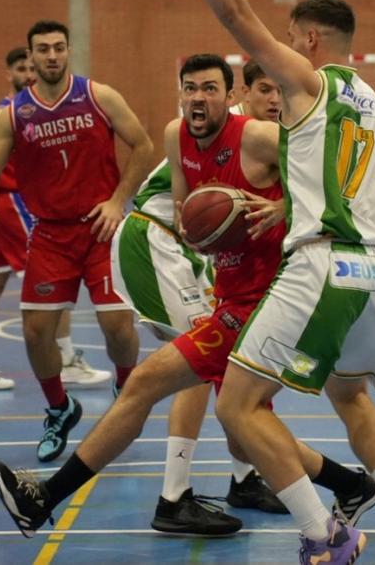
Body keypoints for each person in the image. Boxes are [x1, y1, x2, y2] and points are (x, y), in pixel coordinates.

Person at [0, 53, 375, 539]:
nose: (199, 97)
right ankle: (350, 485)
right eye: (190, 87)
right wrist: (206, 232)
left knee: (195, 401)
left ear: (231, 97)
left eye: (211, 88)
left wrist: (283, 206)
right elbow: (189, 223)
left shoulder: (257, 137)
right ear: (180, 93)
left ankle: (47, 498)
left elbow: (342, 172)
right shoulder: (177, 137)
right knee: (229, 419)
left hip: (272, 302)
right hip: (231, 297)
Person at [174, 0, 375, 563]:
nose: (286, 48)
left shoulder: (306, 81)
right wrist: (351, 197)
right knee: (351, 396)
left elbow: (234, 13)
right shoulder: (373, 101)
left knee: (237, 407)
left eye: (292, 38)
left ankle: (327, 532)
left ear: (310, 40)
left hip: (319, 261)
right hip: (374, 269)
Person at [108, 61, 288, 535]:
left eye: (280, 92)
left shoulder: (258, 142)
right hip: (156, 238)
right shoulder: (229, 130)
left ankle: (244, 478)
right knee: (199, 357)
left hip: (192, 250)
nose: (274, 100)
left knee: (230, 365)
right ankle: (174, 496)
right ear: (240, 93)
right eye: (264, 90)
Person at [0, 20, 153, 462]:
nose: (51, 56)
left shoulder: (98, 96)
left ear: (69, 50)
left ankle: (125, 385)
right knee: (36, 333)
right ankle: (59, 408)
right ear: (30, 57)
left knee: (118, 329)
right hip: (51, 234)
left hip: (101, 228)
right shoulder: (12, 114)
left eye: (58, 48)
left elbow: (143, 146)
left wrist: (116, 201)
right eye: (43, 50)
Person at [0, 47, 111, 391]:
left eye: (32, 69)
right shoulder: (9, 115)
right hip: (15, 207)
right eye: (22, 68)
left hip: (3, 209)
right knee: (53, 287)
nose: (29, 74)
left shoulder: (32, 113)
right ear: (9, 73)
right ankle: (65, 360)